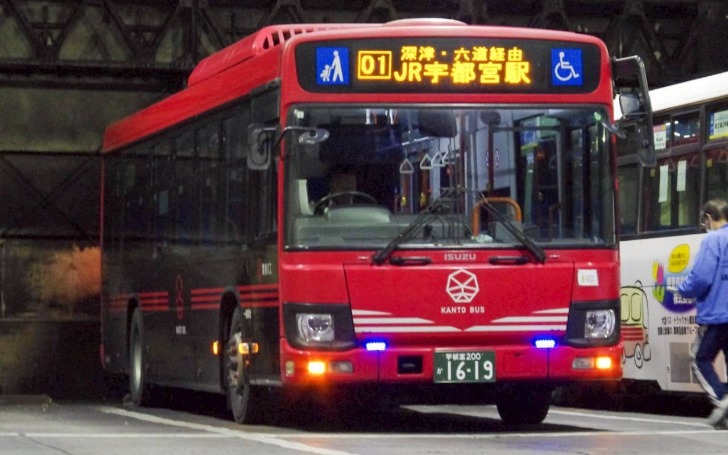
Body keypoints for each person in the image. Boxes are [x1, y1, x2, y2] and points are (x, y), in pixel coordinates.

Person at [673, 198, 728, 428]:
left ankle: (722, 399)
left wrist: (682, 289)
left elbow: (701, 278)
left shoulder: (712, 240)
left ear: (708, 218)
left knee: (700, 359)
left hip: (717, 314)